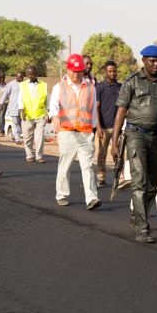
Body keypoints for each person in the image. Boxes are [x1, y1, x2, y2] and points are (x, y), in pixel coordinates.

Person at [111, 45, 157, 244]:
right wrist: (114, 142)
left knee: (153, 185)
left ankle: (137, 215)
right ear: (144, 61)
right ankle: (142, 227)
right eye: (152, 61)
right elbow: (120, 112)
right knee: (140, 181)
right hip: (135, 134)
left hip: (156, 136)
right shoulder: (132, 81)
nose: (156, 65)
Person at [50, 54, 100, 209]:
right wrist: (54, 117)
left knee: (87, 166)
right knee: (65, 165)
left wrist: (95, 129)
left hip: (85, 133)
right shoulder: (59, 87)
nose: (76, 74)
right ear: (68, 69)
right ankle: (62, 194)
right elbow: (53, 106)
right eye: (74, 71)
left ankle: (91, 198)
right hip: (67, 132)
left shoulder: (91, 88)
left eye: (79, 71)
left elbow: (92, 111)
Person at [94, 60, 122, 188]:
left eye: (114, 71)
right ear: (105, 72)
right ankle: (101, 177)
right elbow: (96, 108)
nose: (112, 73)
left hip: (118, 128)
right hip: (103, 128)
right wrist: (98, 126)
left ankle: (119, 178)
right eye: (110, 71)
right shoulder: (99, 87)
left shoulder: (121, 87)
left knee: (119, 154)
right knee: (102, 154)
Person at [17, 66, 48, 163]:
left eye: (33, 74)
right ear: (26, 75)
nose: (31, 76)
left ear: (37, 74)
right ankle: (29, 155)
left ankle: (39, 156)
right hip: (27, 115)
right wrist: (22, 110)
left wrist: (48, 113)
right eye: (29, 74)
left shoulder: (44, 85)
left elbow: (47, 100)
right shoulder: (22, 85)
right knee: (27, 137)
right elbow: (20, 98)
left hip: (40, 114)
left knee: (40, 137)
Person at [1, 71, 24, 142]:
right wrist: (0, 103)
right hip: (13, 106)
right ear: (16, 77)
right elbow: (5, 93)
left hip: (23, 106)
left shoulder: (24, 84)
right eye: (19, 77)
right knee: (15, 122)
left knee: (21, 122)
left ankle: (15, 135)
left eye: (21, 77)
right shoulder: (11, 84)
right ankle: (17, 138)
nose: (20, 78)